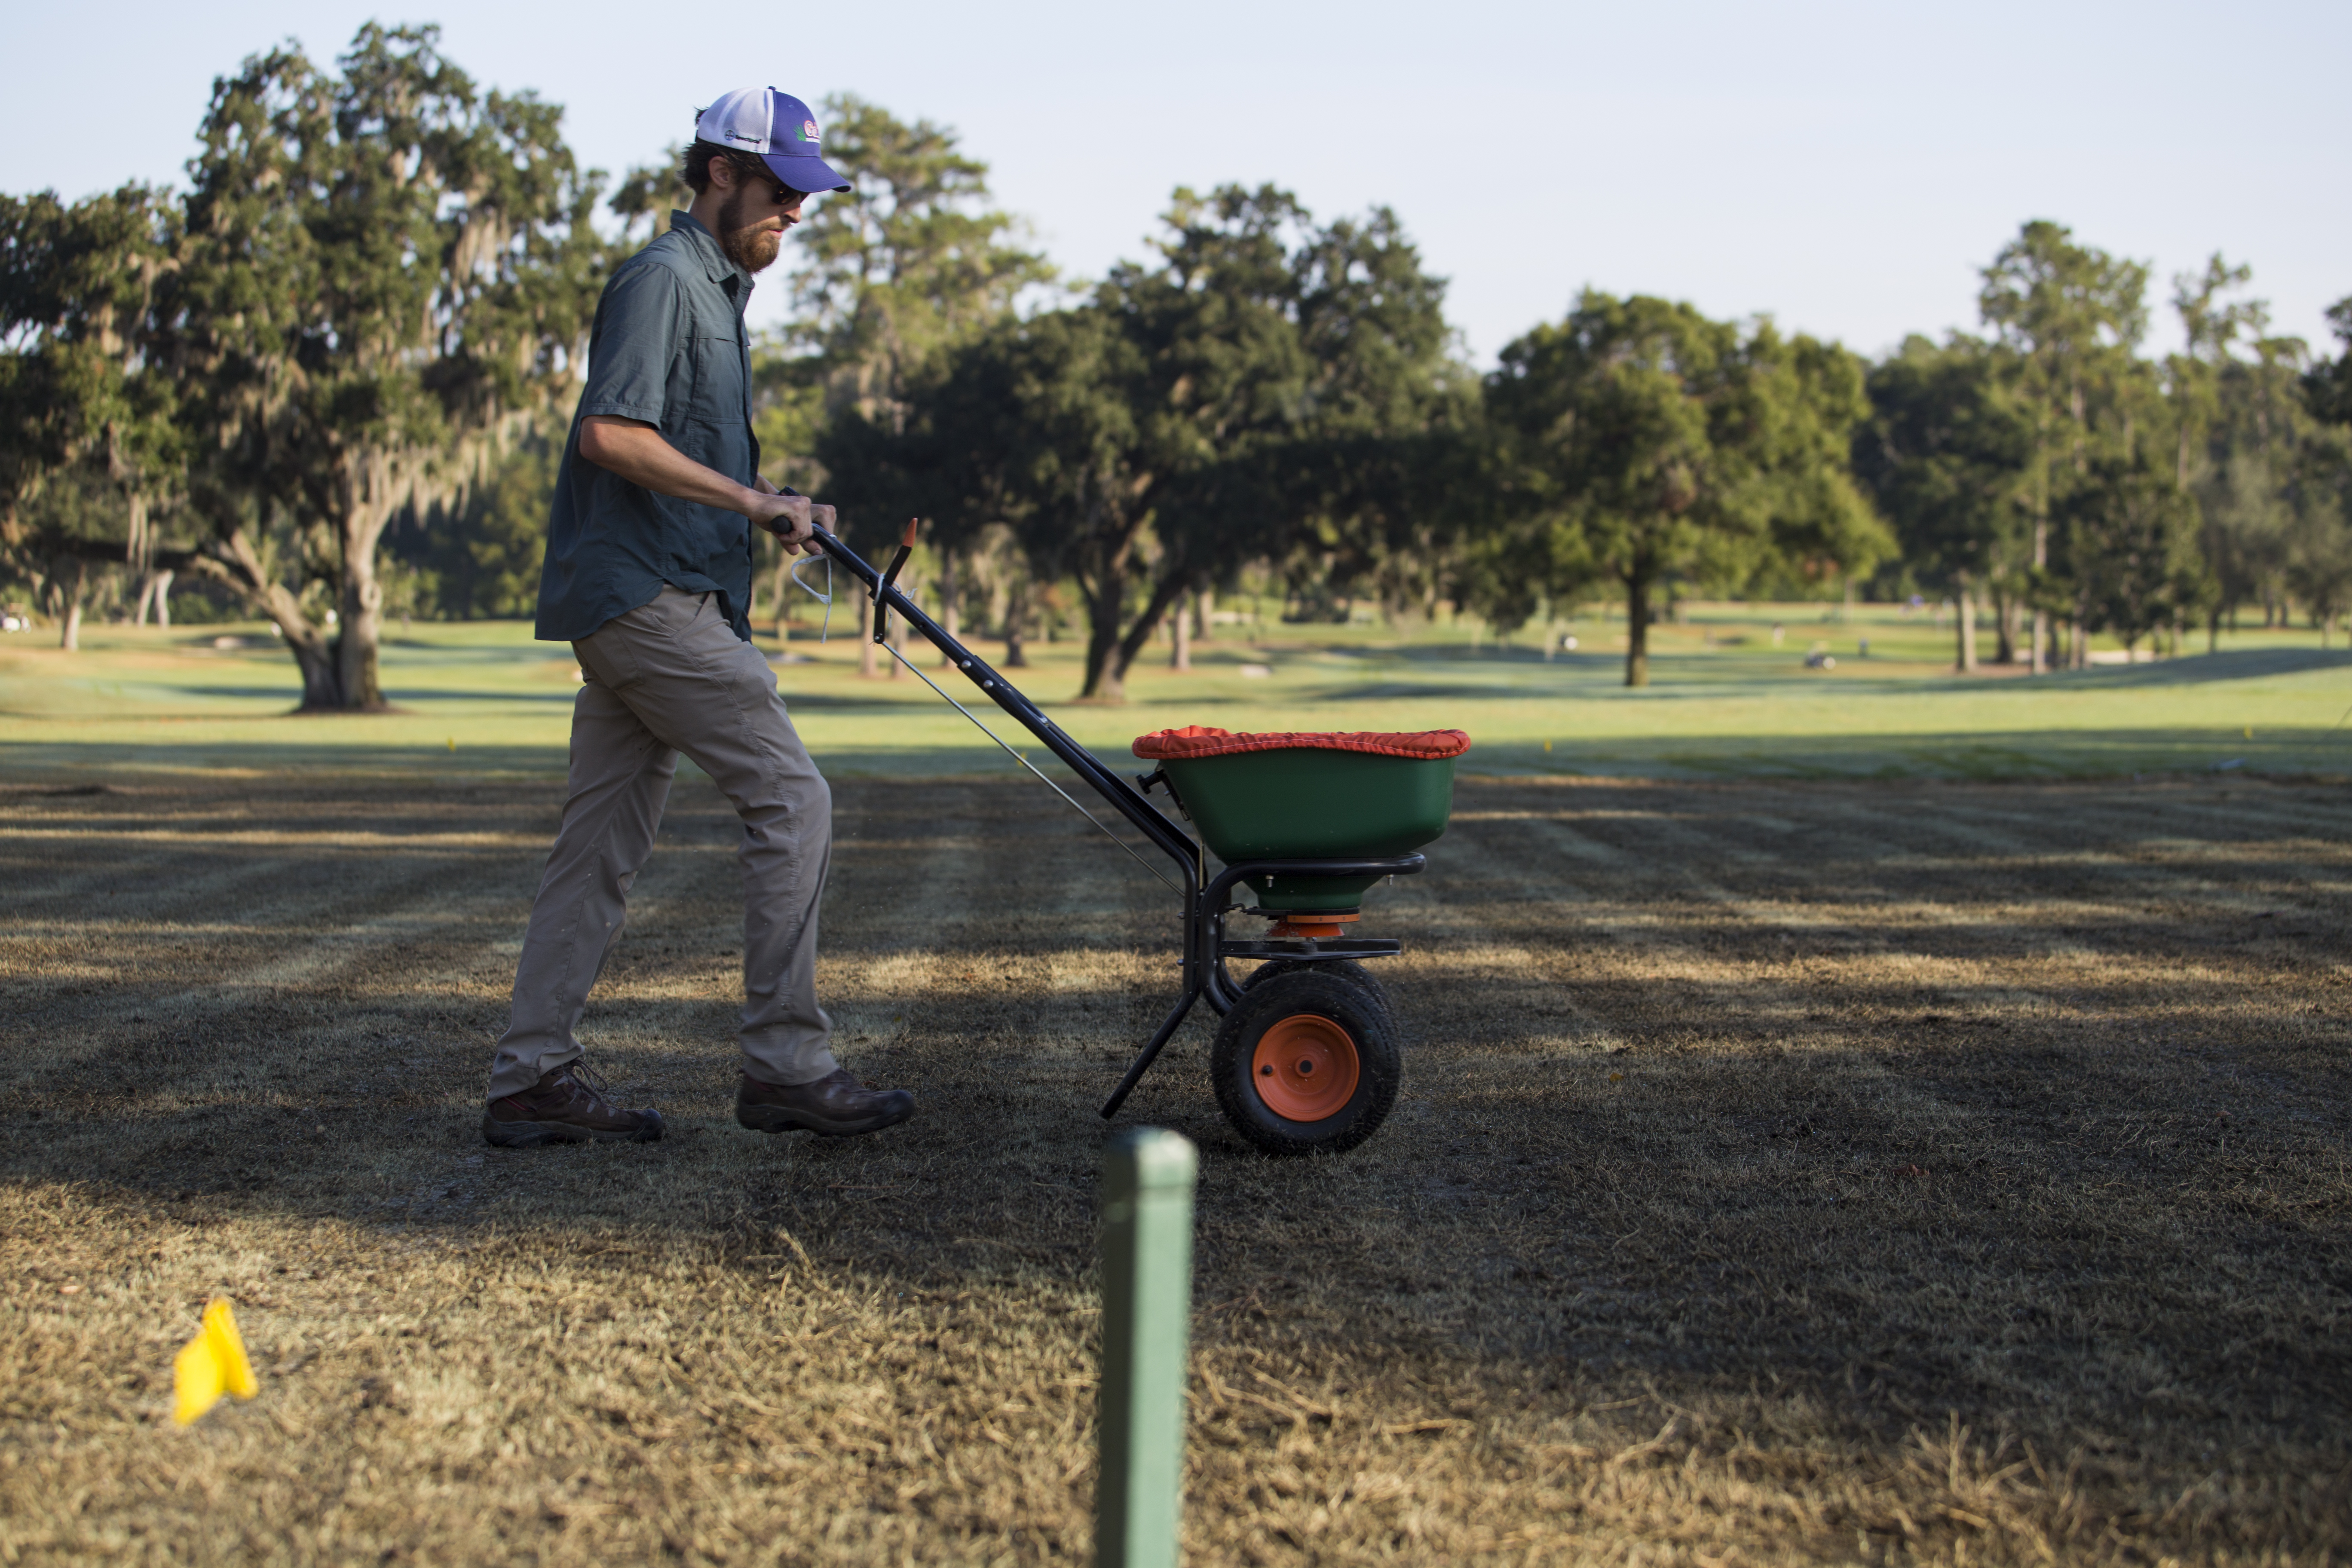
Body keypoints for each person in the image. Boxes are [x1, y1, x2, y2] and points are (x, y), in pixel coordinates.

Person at [482, 87, 914, 1148]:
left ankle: (531, 1079)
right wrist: (752, 501)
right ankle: (785, 1064)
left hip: (661, 591)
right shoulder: (665, 281)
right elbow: (610, 438)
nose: (796, 214)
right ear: (721, 171)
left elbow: (685, 454)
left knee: (597, 850)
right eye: (782, 191)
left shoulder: (720, 294)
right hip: (645, 596)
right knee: (792, 797)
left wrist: (771, 509)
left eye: (805, 198)